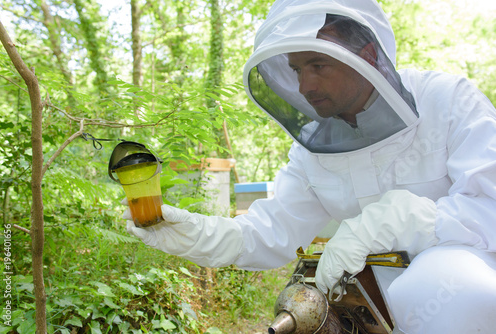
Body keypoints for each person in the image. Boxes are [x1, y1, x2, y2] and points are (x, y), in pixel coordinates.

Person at [125, 0, 496, 332]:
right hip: (366, 312)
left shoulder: (448, 102)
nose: (305, 86)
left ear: (367, 55)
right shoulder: (315, 146)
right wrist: (193, 235)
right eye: (297, 69)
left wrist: (396, 219)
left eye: (318, 64)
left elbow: (489, 209)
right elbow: (271, 232)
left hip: (458, 298)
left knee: (445, 282)